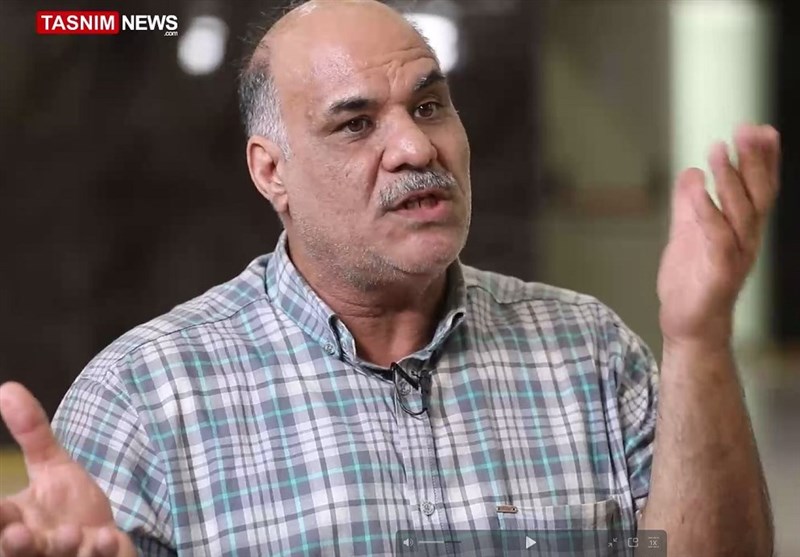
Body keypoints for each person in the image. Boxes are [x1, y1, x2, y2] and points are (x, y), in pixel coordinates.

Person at [0, 0, 780, 555]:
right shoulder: (144, 396)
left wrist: (699, 336)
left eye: (430, 105)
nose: (416, 147)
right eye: (356, 123)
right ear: (272, 171)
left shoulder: (592, 352)